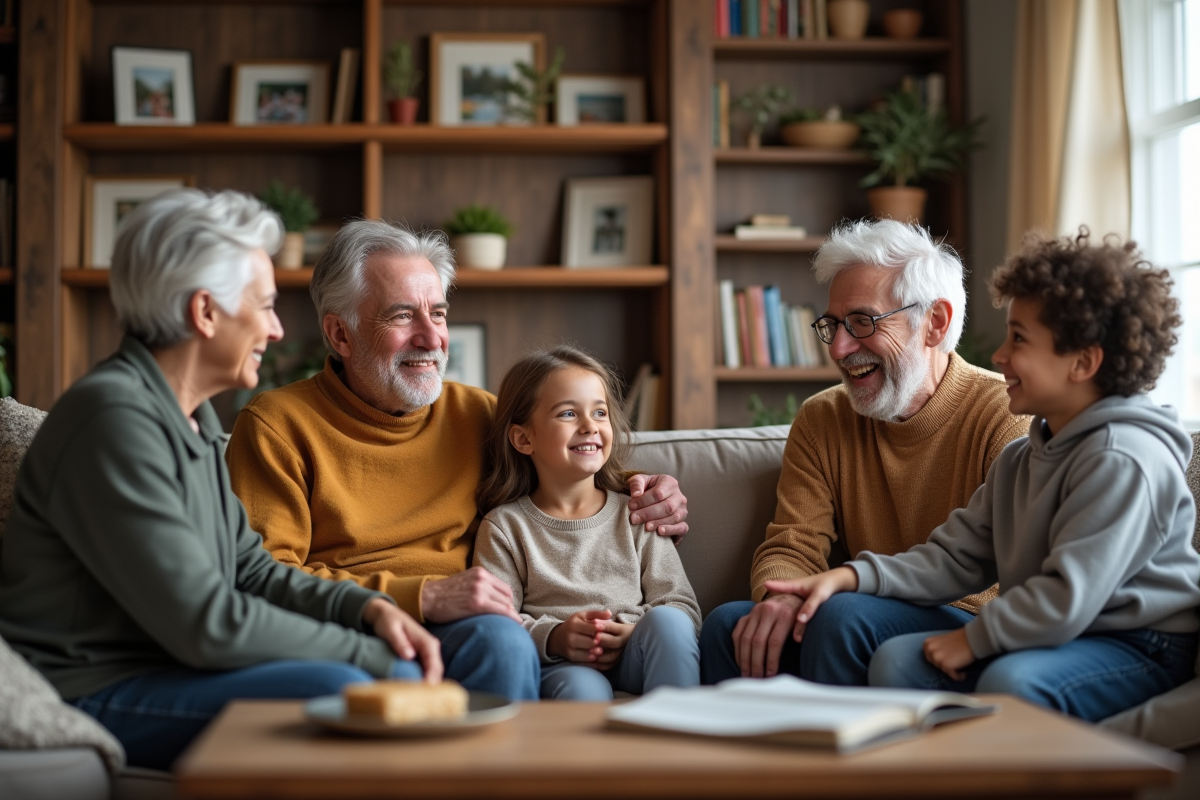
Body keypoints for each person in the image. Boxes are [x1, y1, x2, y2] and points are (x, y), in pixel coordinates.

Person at [0, 190, 440, 771]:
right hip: (89, 686)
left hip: (162, 666)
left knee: (378, 672)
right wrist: (370, 651)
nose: (278, 330)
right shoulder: (113, 422)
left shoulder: (192, 418)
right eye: (262, 306)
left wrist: (364, 609)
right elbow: (205, 625)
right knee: (350, 682)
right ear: (205, 313)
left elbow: (249, 569)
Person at [226, 220, 691, 701]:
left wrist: (647, 488)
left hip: (476, 628)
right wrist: (422, 596)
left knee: (501, 639)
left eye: (440, 314)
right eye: (403, 316)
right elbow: (264, 577)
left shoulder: (477, 414)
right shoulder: (276, 426)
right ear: (340, 334)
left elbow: (564, 464)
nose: (432, 338)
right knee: (497, 640)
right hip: (351, 625)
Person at [762, 231, 1200, 720]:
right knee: (898, 661)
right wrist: (852, 576)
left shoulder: (1126, 458)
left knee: (1010, 680)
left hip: (1140, 642)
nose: (999, 356)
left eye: (1019, 339)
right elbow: (954, 557)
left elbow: (1067, 594)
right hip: (1059, 631)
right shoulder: (1023, 458)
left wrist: (974, 639)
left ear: (1083, 361)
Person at [700, 219, 1029, 686]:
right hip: (855, 608)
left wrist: (843, 594)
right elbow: (792, 546)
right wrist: (782, 599)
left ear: (934, 323)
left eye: (862, 322)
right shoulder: (822, 419)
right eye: (832, 324)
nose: (838, 347)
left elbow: (1008, 577)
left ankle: (840, 757)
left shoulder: (1006, 413)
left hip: (969, 623)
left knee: (843, 618)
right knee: (729, 627)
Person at [472, 347, 702, 700]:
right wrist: (557, 636)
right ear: (523, 438)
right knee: (583, 689)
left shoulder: (639, 513)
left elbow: (681, 605)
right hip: (563, 665)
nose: (590, 426)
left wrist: (630, 629)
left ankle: (681, 741)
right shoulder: (505, 527)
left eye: (599, 412)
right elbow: (496, 620)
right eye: (568, 413)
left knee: (669, 623)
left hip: (637, 653)